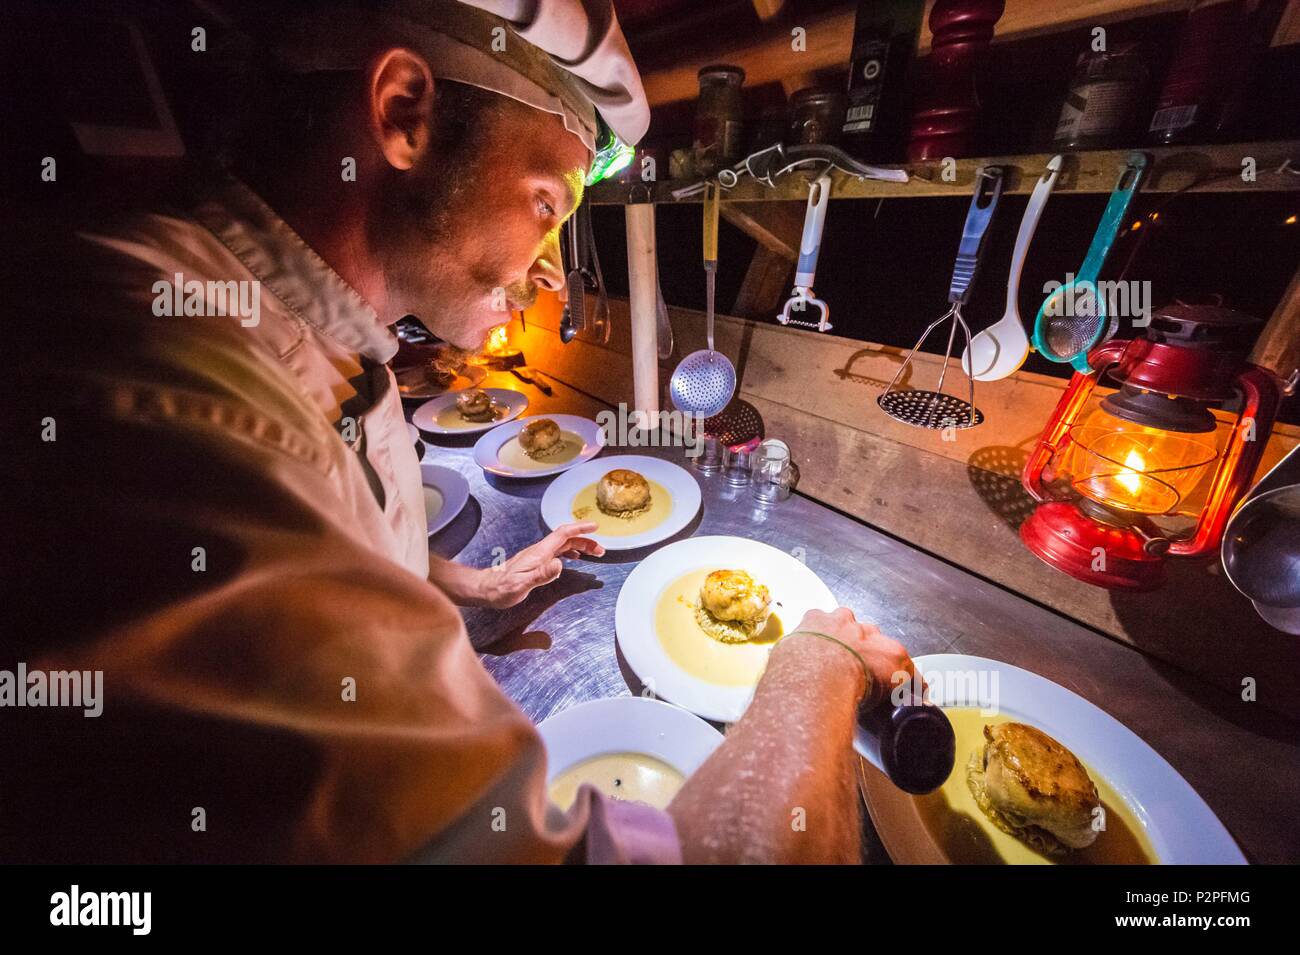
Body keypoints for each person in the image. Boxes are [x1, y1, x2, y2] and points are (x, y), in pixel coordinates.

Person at [4, 0, 916, 863]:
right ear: (405, 113)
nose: (551, 272)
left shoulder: (312, 335)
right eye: (548, 204)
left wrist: (474, 581)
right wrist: (819, 665)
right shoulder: (157, 370)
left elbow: (326, 521)